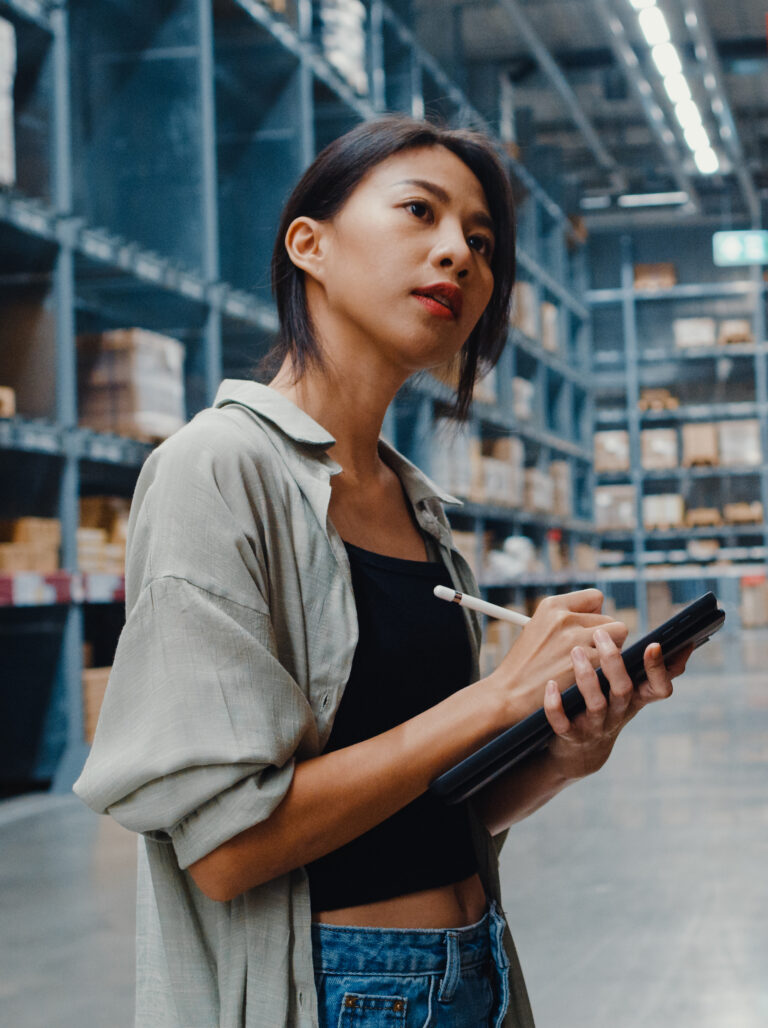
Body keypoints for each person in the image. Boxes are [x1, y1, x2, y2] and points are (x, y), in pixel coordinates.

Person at [73, 115, 691, 1028]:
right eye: (419, 211)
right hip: (344, 991)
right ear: (309, 245)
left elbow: (438, 806)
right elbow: (229, 852)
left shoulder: (416, 506)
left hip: (477, 971)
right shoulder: (217, 470)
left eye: (482, 242)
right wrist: (495, 698)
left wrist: (564, 750)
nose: (459, 254)